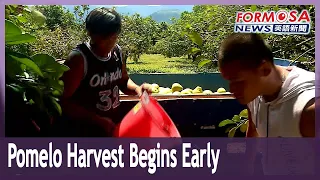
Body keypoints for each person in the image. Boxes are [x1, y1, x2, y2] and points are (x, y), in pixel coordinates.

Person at [218, 33, 316, 175]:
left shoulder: (309, 109)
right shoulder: (254, 93)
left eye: (238, 81)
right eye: (229, 81)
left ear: (265, 69)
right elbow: (253, 130)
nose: (232, 89)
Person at [59, 7, 152, 137]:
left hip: (109, 127)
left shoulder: (117, 52)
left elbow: (123, 81)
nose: (109, 41)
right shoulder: (79, 59)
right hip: (83, 132)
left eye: (113, 36)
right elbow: (63, 102)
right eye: (104, 37)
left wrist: (137, 89)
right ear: (91, 34)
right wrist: (97, 120)